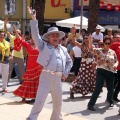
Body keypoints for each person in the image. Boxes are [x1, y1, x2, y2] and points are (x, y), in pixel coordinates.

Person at [27, 7, 73, 120]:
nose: (55, 37)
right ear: (48, 38)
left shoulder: (63, 49)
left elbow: (69, 61)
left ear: (59, 38)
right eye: (52, 35)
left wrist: (65, 73)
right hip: (46, 78)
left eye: (57, 35)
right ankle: (32, 118)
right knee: (39, 102)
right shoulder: (43, 46)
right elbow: (35, 35)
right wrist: (34, 19)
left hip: (57, 80)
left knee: (58, 104)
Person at [13, 26, 43, 102]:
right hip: (30, 66)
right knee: (28, 82)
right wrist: (16, 32)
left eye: (35, 38)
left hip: (38, 66)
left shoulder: (40, 46)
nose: (33, 39)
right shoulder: (27, 45)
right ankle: (24, 96)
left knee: (37, 82)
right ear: (30, 38)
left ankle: (35, 97)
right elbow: (19, 39)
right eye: (32, 38)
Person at [88, 37, 118, 111]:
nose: (107, 45)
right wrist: (90, 41)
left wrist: (115, 65)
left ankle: (110, 101)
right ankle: (90, 104)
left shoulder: (112, 52)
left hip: (110, 72)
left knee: (111, 89)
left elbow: (117, 61)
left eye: (109, 43)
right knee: (98, 88)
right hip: (101, 71)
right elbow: (91, 49)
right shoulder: (99, 51)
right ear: (103, 43)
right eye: (106, 43)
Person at [70, 33, 96, 99]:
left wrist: (90, 41)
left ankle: (93, 92)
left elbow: (90, 49)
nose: (85, 40)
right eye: (84, 39)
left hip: (91, 64)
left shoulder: (93, 46)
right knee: (81, 77)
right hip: (84, 64)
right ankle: (72, 90)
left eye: (87, 38)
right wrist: (72, 34)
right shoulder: (82, 46)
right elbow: (73, 41)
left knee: (91, 77)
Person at [4, 18, 25, 84]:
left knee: (21, 71)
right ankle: (6, 82)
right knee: (9, 70)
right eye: (14, 32)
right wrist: (5, 24)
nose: (15, 33)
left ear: (20, 34)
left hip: (20, 57)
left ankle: (21, 81)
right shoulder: (12, 38)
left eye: (18, 33)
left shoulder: (21, 39)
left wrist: (15, 29)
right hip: (13, 56)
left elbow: (18, 36)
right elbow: (6, 31)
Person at [110, 34, 120, 102]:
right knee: (113, 83)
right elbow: (110, 48)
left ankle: (115, 95)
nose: (119, 39)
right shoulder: (113, 45)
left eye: (119, 38)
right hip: (115, 67)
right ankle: (110, 97)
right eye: (117, 37)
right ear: (114, 38)